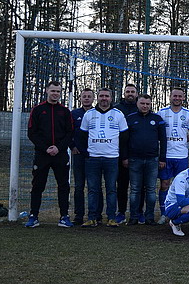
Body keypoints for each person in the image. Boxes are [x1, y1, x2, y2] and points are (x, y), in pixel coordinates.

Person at [25, 81, 74, 228]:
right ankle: (34, 216)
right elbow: (32, 133)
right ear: (47, 91)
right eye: (53, 91)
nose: (55, 94)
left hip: (60, 154)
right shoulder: (38, 110)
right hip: (42, 155)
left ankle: (64, 216)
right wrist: (46, 148)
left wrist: (58, 148)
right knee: (38, 186)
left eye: (58, 91)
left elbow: (70, 133)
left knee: (63, 186)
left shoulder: (65, 111)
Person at [80, 88, 129, 228]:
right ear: (98, 97)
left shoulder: (118, 114)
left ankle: (111, 218)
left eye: (107, 96)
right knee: (93, 189)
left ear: (111, 98)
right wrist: (86, 153)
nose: (104, 98)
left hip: (111, 158)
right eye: (101, 95)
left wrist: (121, 155)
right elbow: (82, 135)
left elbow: (124, 137)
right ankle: (92, 218)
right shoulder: (89, 114)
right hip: (93, 158)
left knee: (111, 189)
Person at [122, 94, 167, 226]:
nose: (145, 106)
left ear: (150, 104)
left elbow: (163, 140)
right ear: (137, 103)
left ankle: (149, 217)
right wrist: (125, 157)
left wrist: (162, 158)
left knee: (151, 190)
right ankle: (134, 217)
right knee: (135, 190)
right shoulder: (130, 118)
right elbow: (124, 140)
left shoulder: (157, 119)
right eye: (142, 103)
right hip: (134, 159)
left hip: (152, 160)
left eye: (147, 104)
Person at [157, 88, 189, 225]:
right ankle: (164, 213)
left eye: (180, 96)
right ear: (170, 96)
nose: (177, 98)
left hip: (181, 156)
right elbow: (157, 132)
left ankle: (181, 211)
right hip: (166, 155)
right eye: (175, 96)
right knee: (164, 184)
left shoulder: (188, 113)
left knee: (182, 185)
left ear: (183, 98)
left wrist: (181, 141)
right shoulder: (162, 112)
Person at [114, 83, 139, 224]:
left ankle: (138, 213)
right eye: (128, 91)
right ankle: (121, 212)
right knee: (122, 185)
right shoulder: (117, 109)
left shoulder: (141, 107)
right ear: (124, 94)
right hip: (121, 154)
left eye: (132, 92)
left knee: (139, 186)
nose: (130, 94)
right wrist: (123, 155)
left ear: (136, 94)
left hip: (138, 154)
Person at [70, 88, 95, 225]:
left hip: (94, 155)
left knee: (94, 186)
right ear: (80, 98)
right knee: (79, 186)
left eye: (89, 96)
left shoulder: (97, 113)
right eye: (84, 96)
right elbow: (68, 132)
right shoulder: (74, 114)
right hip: (79, 155)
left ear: (93, 98)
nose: (86, 98)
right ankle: (78, 215)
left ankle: (95, 215)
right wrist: (72, 146)